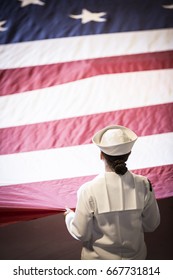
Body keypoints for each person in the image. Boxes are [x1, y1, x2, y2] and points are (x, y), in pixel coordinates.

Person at [64, 125, 160, 260]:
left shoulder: (88, 190)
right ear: (129, 154)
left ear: (101, 155)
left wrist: (69, 217)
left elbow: (81, 234)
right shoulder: (144, 184)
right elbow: (151, 224)